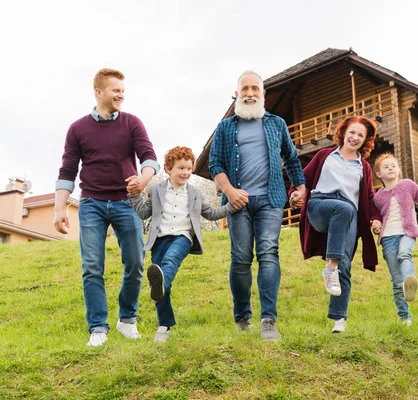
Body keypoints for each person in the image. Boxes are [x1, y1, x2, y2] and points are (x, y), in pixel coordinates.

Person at [54, 68, 159, 346]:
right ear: (99, 92)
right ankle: (98, 328)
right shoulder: (78, 129)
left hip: (126, 203)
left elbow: (149, 156)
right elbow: (67, 171)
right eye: (115, 90)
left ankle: (127, 320)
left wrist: (143, 179)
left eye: (123, 91)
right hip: (91, 204)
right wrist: (58, 209)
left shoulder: (131, 123)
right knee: (92, 266)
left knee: (136, 262)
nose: (121, 95)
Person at [208, 70, 306, 340]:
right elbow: (215, 164)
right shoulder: (225, 127)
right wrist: (230, 191)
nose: (250, 93)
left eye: (255, 88)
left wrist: (301, 187)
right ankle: (242, 318)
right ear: (236, 94)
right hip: (237, 203)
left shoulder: (277, 124)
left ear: (263, 94)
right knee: (240, 259)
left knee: (268, 253)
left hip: (271, 199)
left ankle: (268, 320)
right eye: (244, 89)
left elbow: (292, 158)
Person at [128, 146, 238, 342]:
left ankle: (160, 287)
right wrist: (134, 195)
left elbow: (211, 214)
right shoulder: (156, 190)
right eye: (181, 168)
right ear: (169, 169)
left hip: (183, 237)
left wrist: (231, 206)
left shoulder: (195, 193)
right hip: (159, 240)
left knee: (169, 264)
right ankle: (164, 326)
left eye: (189, 168)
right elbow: (144, 212)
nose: (186, 172)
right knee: (163, 283)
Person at [289, 115, 381, 333]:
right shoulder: (324, 155)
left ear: (365, 141)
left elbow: (368, 197)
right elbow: (302, 180)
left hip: (348, 216)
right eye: (352, 132)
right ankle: (330, 267)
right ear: (343, 133)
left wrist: (375, 218)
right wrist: (295, 194)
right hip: (320, 206)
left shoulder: (364, 167)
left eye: (361, 135)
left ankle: (339, 319)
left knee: (346, 264)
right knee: (344, 208)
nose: (355, 137)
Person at [371, 154, 418, 326]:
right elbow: (375, 215)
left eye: (393, 165)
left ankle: (410, 280)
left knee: (405, 254)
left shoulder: (407, 185)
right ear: (379, 174)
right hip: (387, 238)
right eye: (386, 167)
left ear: (399, 169)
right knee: (396, 281)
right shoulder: (378, 196)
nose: (391, 168)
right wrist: (375, 223)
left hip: (407, 232)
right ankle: (404, 318)